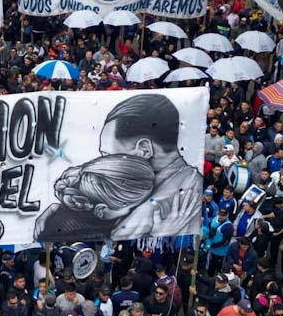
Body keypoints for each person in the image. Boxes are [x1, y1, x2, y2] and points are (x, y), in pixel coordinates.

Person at [34, 94, 202, 241]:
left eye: (107, 155)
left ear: (144, 149)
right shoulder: (138, 183)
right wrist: (60, 215)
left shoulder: (169, 201)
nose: (103, 163)